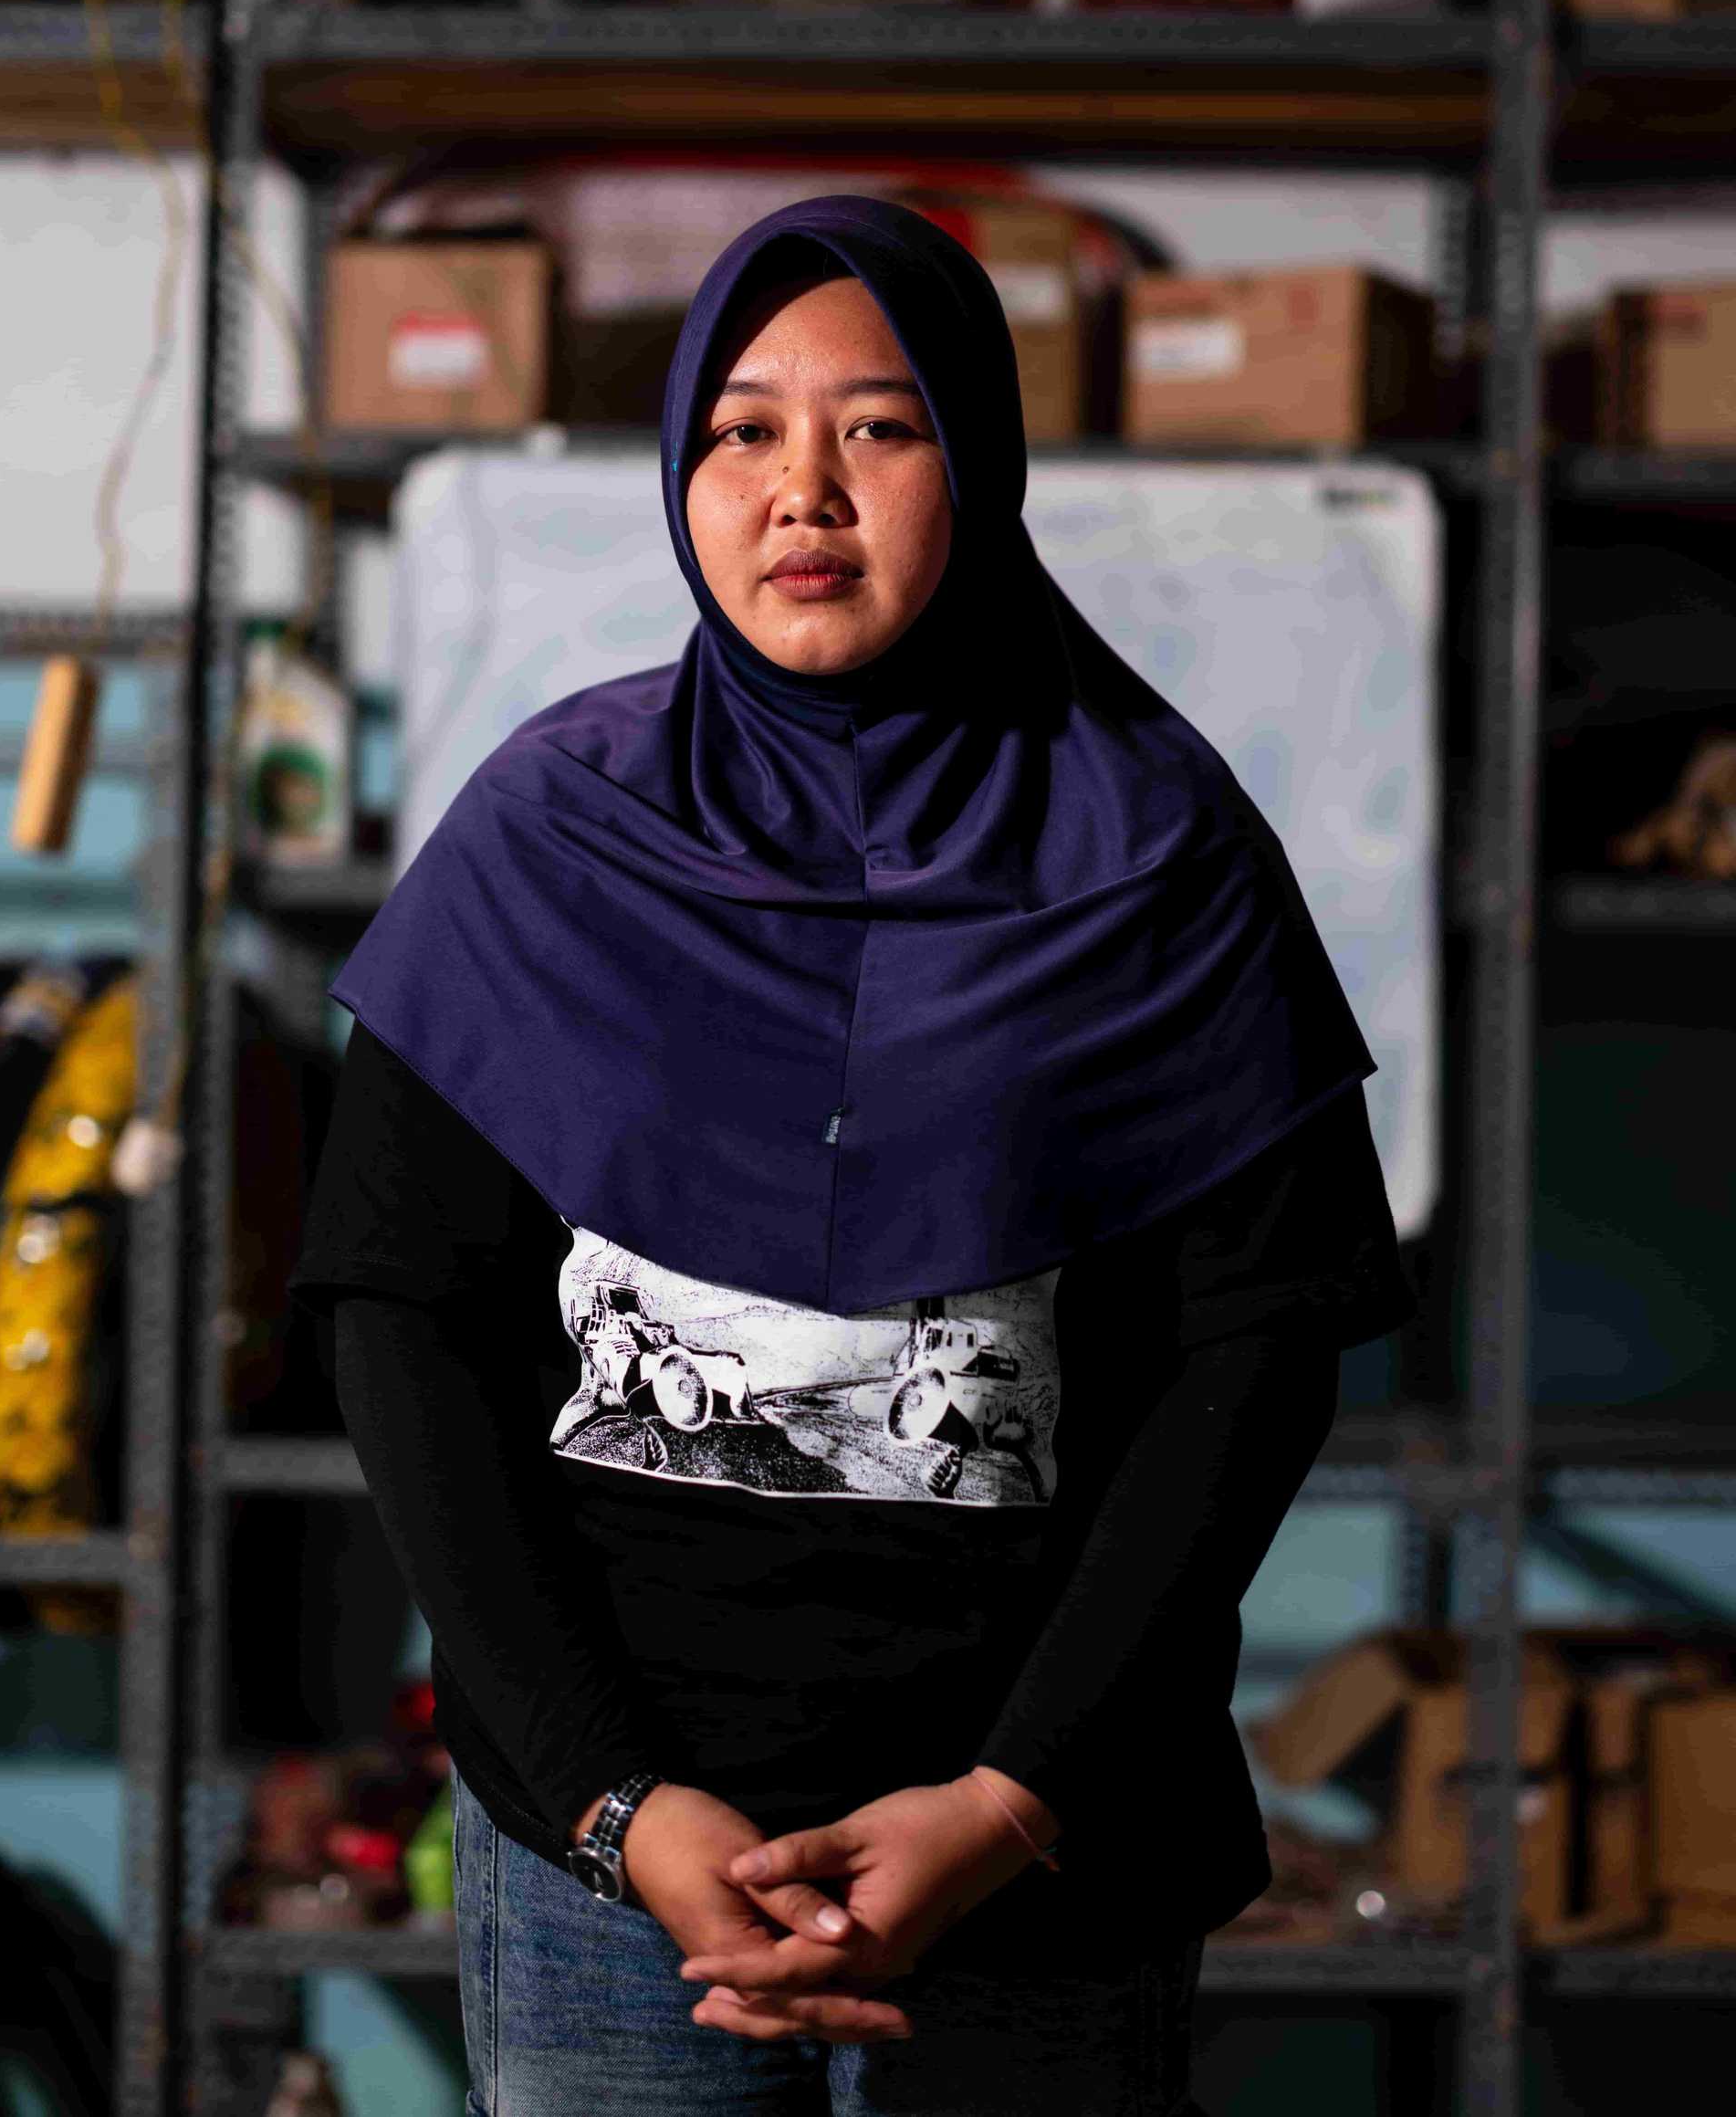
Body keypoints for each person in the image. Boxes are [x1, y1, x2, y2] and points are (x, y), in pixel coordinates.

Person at [292, 197, 1413, 2116]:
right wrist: (617, 1798)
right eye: (742, 430)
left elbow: (1251, 1363)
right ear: (682, 473)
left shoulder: (1162, 859)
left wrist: (1009, 1797)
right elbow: (404, 1323)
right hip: (613, 1853)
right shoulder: (547, 842)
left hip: (1034, 1847)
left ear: (974, 459)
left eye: (878, 427)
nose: (801, 486)